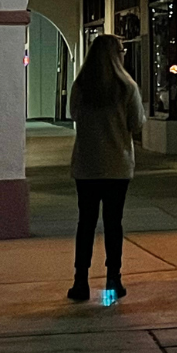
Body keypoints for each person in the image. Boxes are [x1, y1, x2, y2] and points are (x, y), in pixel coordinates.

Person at [66, 33, 146, 302]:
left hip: (87, 165)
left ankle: (80, 282)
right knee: (114, 222)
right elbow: (137, 123)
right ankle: (114, 279)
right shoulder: (127, 87)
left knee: (85, 222)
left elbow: (74, 115)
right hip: (117, 165)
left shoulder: (81, 87)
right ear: (116, 55)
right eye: (122, 50)